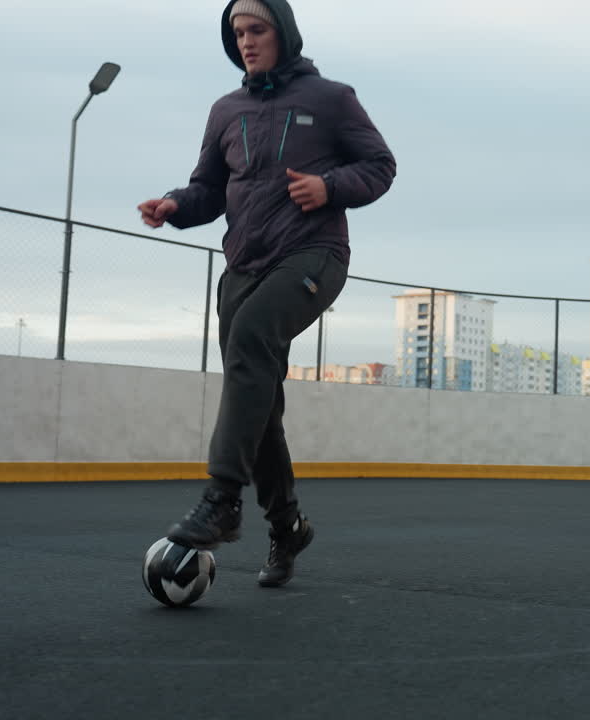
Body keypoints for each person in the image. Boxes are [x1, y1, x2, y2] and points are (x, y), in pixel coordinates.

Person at [137, 0, 396, 587]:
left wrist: (329, 186)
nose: (247, 41)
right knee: (261, 401)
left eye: (257, 30)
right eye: (237, 33)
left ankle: (222, 498)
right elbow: (208, 188)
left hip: (314, 255)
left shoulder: (331, 99)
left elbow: (380, 166)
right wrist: (177, 205)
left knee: (254, 340)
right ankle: (287, 526)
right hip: (243, 267)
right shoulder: (225, 111)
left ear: (283, 33)